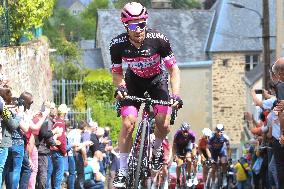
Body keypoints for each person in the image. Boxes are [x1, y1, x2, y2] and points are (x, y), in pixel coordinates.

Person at [109, 2, 182, 188]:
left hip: (158, 82)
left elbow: (174, 69)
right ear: (125, 25)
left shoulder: (159, 40)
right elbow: (117, 72)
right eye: (133, 25)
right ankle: (123, 170)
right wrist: (121, 87)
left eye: (142, 24)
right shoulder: (117, 45)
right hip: (133, 82)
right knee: (127, 124)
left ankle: (157, 149)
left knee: (163, 124)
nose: (138, 29)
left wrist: (176, 95)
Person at [172, 122, 197, 187]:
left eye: (187, 131)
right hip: (179, 147)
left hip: (187, 146)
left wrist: (194, 155)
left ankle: (188, 176)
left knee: (189, 160)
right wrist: (174, 155)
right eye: (184, 131)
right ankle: (178, 180)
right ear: (181, 130)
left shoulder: (192, 135)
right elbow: (174, 146)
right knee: (179, 164)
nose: (186, 133)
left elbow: (193, 147)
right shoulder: (177, 134)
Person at [208, 123, 231, 188]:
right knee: (213, 167)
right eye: (218, 132)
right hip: (213, 152)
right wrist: (210, 157)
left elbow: (228, 148)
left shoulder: (225, 137)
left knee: (224, 162)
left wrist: (229, 157)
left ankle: (224, 177)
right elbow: (207, 148)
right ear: (215, 131)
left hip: (221, 151)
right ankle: (213, 182)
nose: (219, 133)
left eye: (221, 132)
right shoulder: (211, 137)